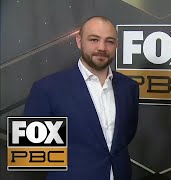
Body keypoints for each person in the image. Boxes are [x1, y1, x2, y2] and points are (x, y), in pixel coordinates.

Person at [24, 16, 139, 180]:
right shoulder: (46, 88)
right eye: (94, 39)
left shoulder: (129, 87)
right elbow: (29, 151)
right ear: (79, 41)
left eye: (110, 41)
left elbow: (126, 137)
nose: (102, 47)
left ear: (117, 45)